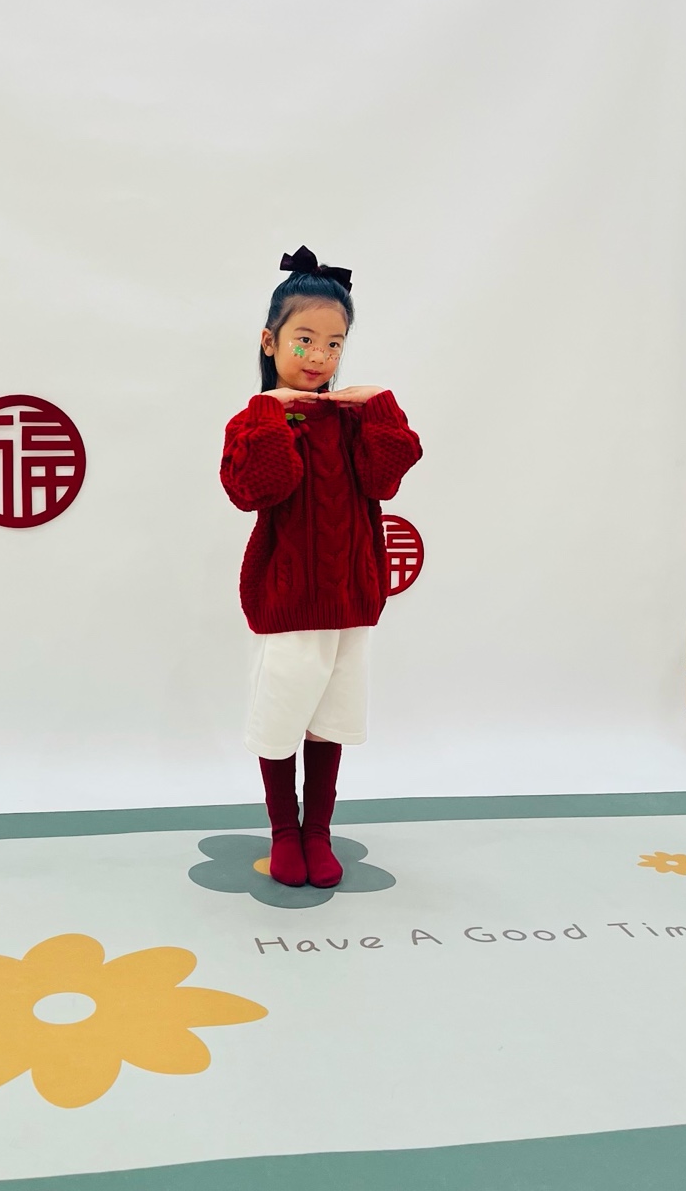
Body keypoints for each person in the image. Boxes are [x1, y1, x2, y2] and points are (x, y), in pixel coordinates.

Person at [220, 246, 422, 890]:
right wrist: (270, 410)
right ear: (270, 341)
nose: (319, 356)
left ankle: (318, 832)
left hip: (351, 597)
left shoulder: (354, 419)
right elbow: (260, 488)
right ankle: (285, 831)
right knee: (281, 718)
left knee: (329, 719)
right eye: (304, 339)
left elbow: (384, 480)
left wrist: (379, 404)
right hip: (287, 601)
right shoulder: (254, 422)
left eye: (334, 344)